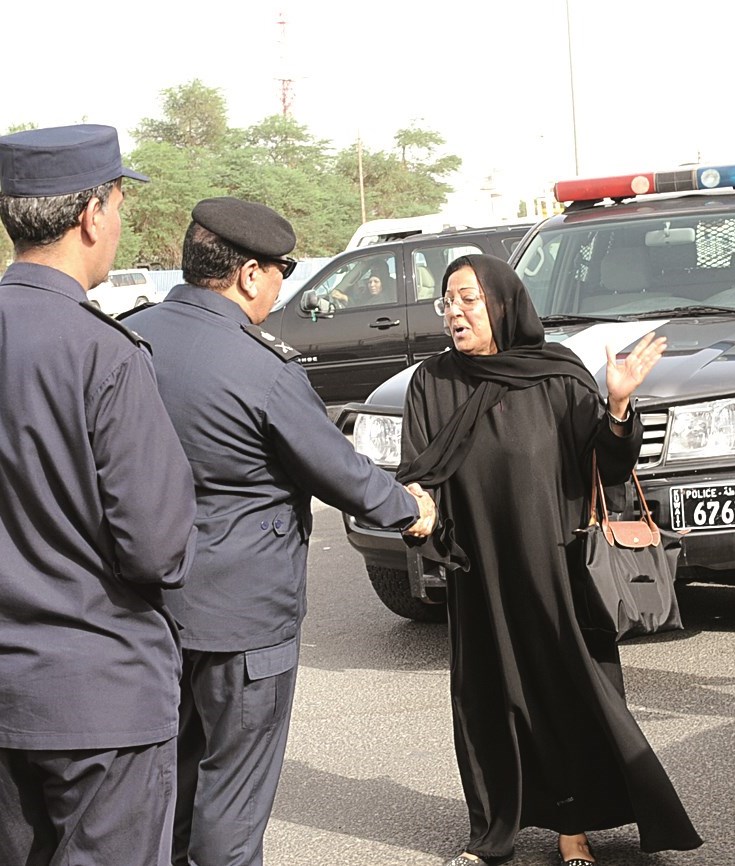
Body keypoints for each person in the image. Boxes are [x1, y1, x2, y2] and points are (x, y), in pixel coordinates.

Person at [124, 196, 437, 866]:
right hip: (243, 620)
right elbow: (338, 470)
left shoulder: (133, 337)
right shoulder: (259, 367)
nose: (280, 287)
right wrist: (411, 510)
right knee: (233, 802)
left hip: (150, 609)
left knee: (172, 782)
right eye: (281, 273)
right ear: (248, 276)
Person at [396, 254, 702, 866]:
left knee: (567, 694)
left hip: (555, 564)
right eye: (447, 302)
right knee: (486, 701)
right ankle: (493, 833)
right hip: (477, 564)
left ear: (503, 304)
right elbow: (418, 471)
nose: (454, 312)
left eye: (467, 300)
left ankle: (574, 827)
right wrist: (417, 513)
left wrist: (617, 407)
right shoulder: (431, 382)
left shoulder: (559, 375)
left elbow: (608, 471)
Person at [0, 125, 198, 864]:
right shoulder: (102, 351)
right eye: (119, 202)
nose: (119, 221)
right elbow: (155, 546)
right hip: (99, 699)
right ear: (91, 215)